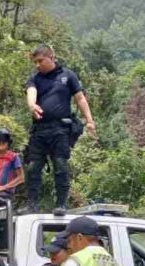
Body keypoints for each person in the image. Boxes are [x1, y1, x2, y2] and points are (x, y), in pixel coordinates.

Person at [24, 44, 96, 216]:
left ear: (51, 57)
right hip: (39, 130)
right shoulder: (34, 78)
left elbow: (80, 98)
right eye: (35, 62)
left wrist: (90, 121)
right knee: (33, 167)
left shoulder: (68, 76)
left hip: (60, 129)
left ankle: (61, 204)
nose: (37, 64)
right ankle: (32, 204)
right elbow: (31, 92)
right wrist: (32, 105)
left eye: (40, 60)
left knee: (61, 166)